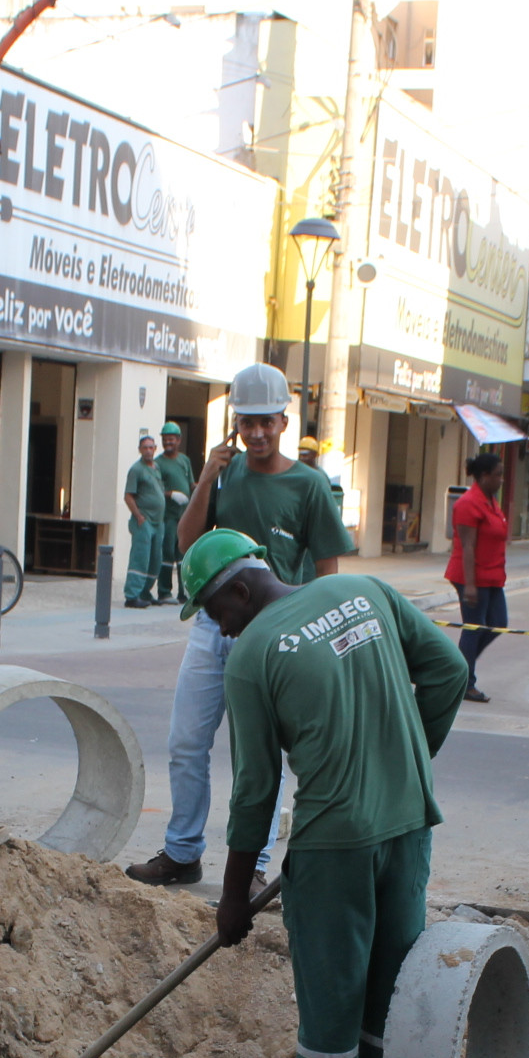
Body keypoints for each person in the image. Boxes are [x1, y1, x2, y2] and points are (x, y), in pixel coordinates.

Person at [189, 530, 469, 1058]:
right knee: (384, 1001)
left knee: (330, 1018)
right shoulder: (366, 589)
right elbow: (450, 672)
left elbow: (255, 790)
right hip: (409, 829)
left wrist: (232, 898)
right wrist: (406, 763)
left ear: (239, 590)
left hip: (333, 850)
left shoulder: (252, 655)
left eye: (214, 611)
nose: (219, 628)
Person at [126, 362, 353, 889]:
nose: (256, 433)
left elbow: (328, 574)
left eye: (266, 422)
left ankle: (253, 867)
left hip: (273, 637)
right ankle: (182, 853)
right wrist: (206, 477)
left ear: (283, 422)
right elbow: (187, 544)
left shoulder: (309, 486)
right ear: (236, 424)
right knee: (186, 741)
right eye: (247, 422)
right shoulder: (223, 477)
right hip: (213, 627)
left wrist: (317, 639)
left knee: (258, 757)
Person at [448, 450, 509, 703]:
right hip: (471, 576)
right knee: (474, 628)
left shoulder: (491, 501)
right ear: (484, 476)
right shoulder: (468, 504)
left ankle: (459, 668)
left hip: (492, 575)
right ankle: (464, 682)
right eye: (498, 475)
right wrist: (470, 585)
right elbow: (468, 546)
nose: (501, 480)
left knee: (498, 624)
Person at [150, 422, 195, 606]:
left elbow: (191, 484)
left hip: (184, 515)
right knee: (167, 553)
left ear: (179, 440)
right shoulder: (158, 464)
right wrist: (171, 494)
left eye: (171, 439)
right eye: (165, 439)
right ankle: (164, 591)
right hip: (167, 516)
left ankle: (184, 592)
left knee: (184, 554)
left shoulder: (185, 461)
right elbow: (155, 489)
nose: (168, 442)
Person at [120, 431, 166, 608]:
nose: (148, 450)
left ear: (155, 449)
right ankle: (132, 595)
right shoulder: (136, 470)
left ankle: (145, 592)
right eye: (145, 447)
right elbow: (128, 496)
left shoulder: (156, 468)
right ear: (140, 449)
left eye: (151, 447)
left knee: (155, 558)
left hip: (158, 522)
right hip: (144, 521)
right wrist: (139, 516)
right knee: (140, 557)